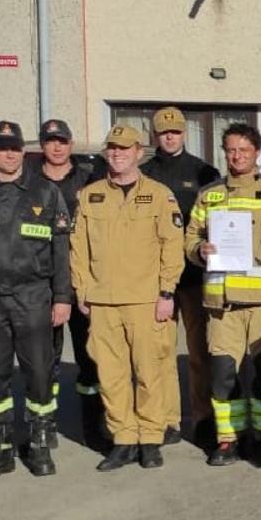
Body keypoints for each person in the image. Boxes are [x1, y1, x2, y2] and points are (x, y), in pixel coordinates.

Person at [0, 121, 76, 479]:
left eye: (15, 147)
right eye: (1, 147)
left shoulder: (45, 193)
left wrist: (62, 297)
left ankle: (39, 444)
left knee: (39, 372)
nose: (9, 153)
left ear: (24, 151)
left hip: (33, 295)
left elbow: (60, 251)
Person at [187, 123, 261, 465]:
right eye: (231, 150)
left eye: (244, 150)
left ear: (257, 153)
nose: (237, 156)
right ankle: (229, 439)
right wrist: (199, 250)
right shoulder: (209, 195)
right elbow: (189, 238)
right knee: (223, 375)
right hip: (222, 304)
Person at [72, 124, 185, 471]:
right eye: (112, 149)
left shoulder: (160, 194)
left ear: (139, 151)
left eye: (124, 148)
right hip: (103, 301)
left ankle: (151, 438)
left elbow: (172, 246)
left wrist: (167, 291)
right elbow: (78, 248)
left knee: (148, 372)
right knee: (111, 374)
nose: (117, 154)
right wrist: (82, 289)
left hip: (145, 299)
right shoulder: (89, 196)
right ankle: (123, 438)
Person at [139, 106, 219, 445]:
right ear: (154, 135)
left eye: (175, 131)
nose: (169, 137)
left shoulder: (203, 172)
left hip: (192, 277)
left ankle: (202, 417)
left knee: (200, 353)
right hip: (153, 279)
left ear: (184, 134)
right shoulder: (143, 174)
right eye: (163, 132)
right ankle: (167, 418)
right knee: (160, 352)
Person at [31, 118, 110, 449]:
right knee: (42, 361)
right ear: (42, 146)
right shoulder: (28, 182)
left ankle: (92, 429)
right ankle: (44, 429)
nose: (57, 147)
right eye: (50, 141)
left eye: (62, 141)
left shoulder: (89, 178)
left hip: (80, 281)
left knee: (88, 359)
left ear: (71, 144)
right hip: (42, 283)